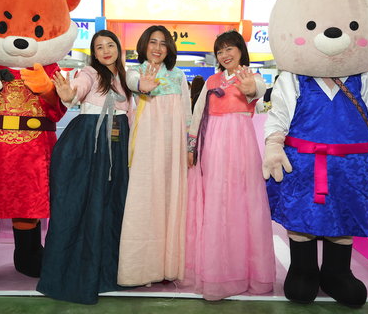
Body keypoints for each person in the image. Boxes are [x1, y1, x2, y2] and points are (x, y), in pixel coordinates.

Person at [36, 30, 133, 305]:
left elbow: (132, 115)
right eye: (99, 47)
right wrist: (70, 92)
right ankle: (75, 274)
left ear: (118, 49)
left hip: (117, 146)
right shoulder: (90, 72)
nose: (106, 50)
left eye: (110, 45)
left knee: (112, 207)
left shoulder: (126, 79)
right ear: (94, 53)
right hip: (88, 146)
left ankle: (109, 274)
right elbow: (78, 87)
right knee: (83, 206)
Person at [184, 30, 276, 300]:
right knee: (214, 202)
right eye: (220, 51)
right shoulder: (212, 80)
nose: (224, 55)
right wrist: (191, 146)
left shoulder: (252, 77)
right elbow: (198, 114)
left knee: (241, 203)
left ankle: (244, 271)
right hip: (211, 145)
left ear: (240, 51)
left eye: (229, 49)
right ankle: (213, 270)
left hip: (240, 147)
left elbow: (257, 90)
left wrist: (251, 89)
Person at [117, 25, 192, 287]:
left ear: (169, 48)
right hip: (146, 142)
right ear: (144, 45)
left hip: (173, 146)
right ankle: (141, 269)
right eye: (153, 42)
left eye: (163, 43)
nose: (158, 47)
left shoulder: (178, 75)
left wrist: (189, 147)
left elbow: (187, 114)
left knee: (171, 197)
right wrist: (142, 85)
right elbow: (132, 83)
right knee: (144, 198)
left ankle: (168, 266)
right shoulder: (135, 71)